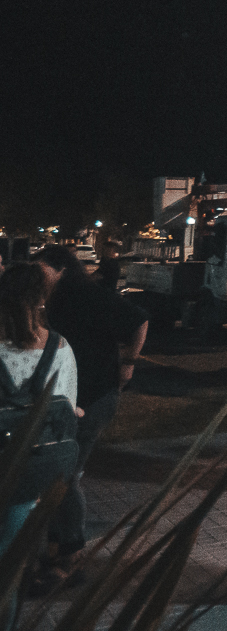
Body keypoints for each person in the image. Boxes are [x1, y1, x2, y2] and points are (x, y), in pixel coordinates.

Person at [35, 244, 146, 585]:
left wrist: (128, 363)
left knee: (66, 476)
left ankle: (70, 557)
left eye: (41, 270)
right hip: (74, 397)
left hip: (93, 396)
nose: (37, 278)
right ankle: (59, 547)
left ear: (60, 269)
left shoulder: (83, 294)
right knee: (61, 474)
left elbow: (139, 318)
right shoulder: (57, 298)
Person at [0, 264, 80, 629]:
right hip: (31, 475)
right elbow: (68, 411)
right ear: (42, 300)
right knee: (12, 562)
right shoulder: (59, 347)